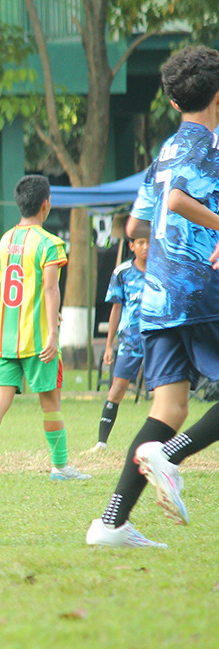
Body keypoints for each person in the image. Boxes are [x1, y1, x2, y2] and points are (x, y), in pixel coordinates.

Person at [86, 44, 219, 548]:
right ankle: (172, 455)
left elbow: (139, 221)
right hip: (199, 290)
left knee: (169, 409)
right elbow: (182, 199)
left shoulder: (163, 152)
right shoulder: (205, 144)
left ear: (172, 101)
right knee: (172, 429)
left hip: (158, 294)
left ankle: (112, 523)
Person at [0, 174, 89, 484]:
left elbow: (13, 287)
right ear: (46, 204)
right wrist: (51, 330)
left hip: (6, 338)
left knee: (0, 399)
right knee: (50, 403)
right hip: (38, 341)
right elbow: (50, 290)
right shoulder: (50, 243)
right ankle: (60, 467)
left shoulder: (5, 240)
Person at [92, 223, 150, 452]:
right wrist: (109, 346)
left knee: (162, 392)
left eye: (149, 243)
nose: (146, 247)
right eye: (141, 243)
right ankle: (101, 442)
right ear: (132, 245)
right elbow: (116, 309)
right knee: (118, 388)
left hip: (158, 341)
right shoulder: (122, 273)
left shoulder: (162, 269)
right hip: (130, 341)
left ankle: (161, 444)